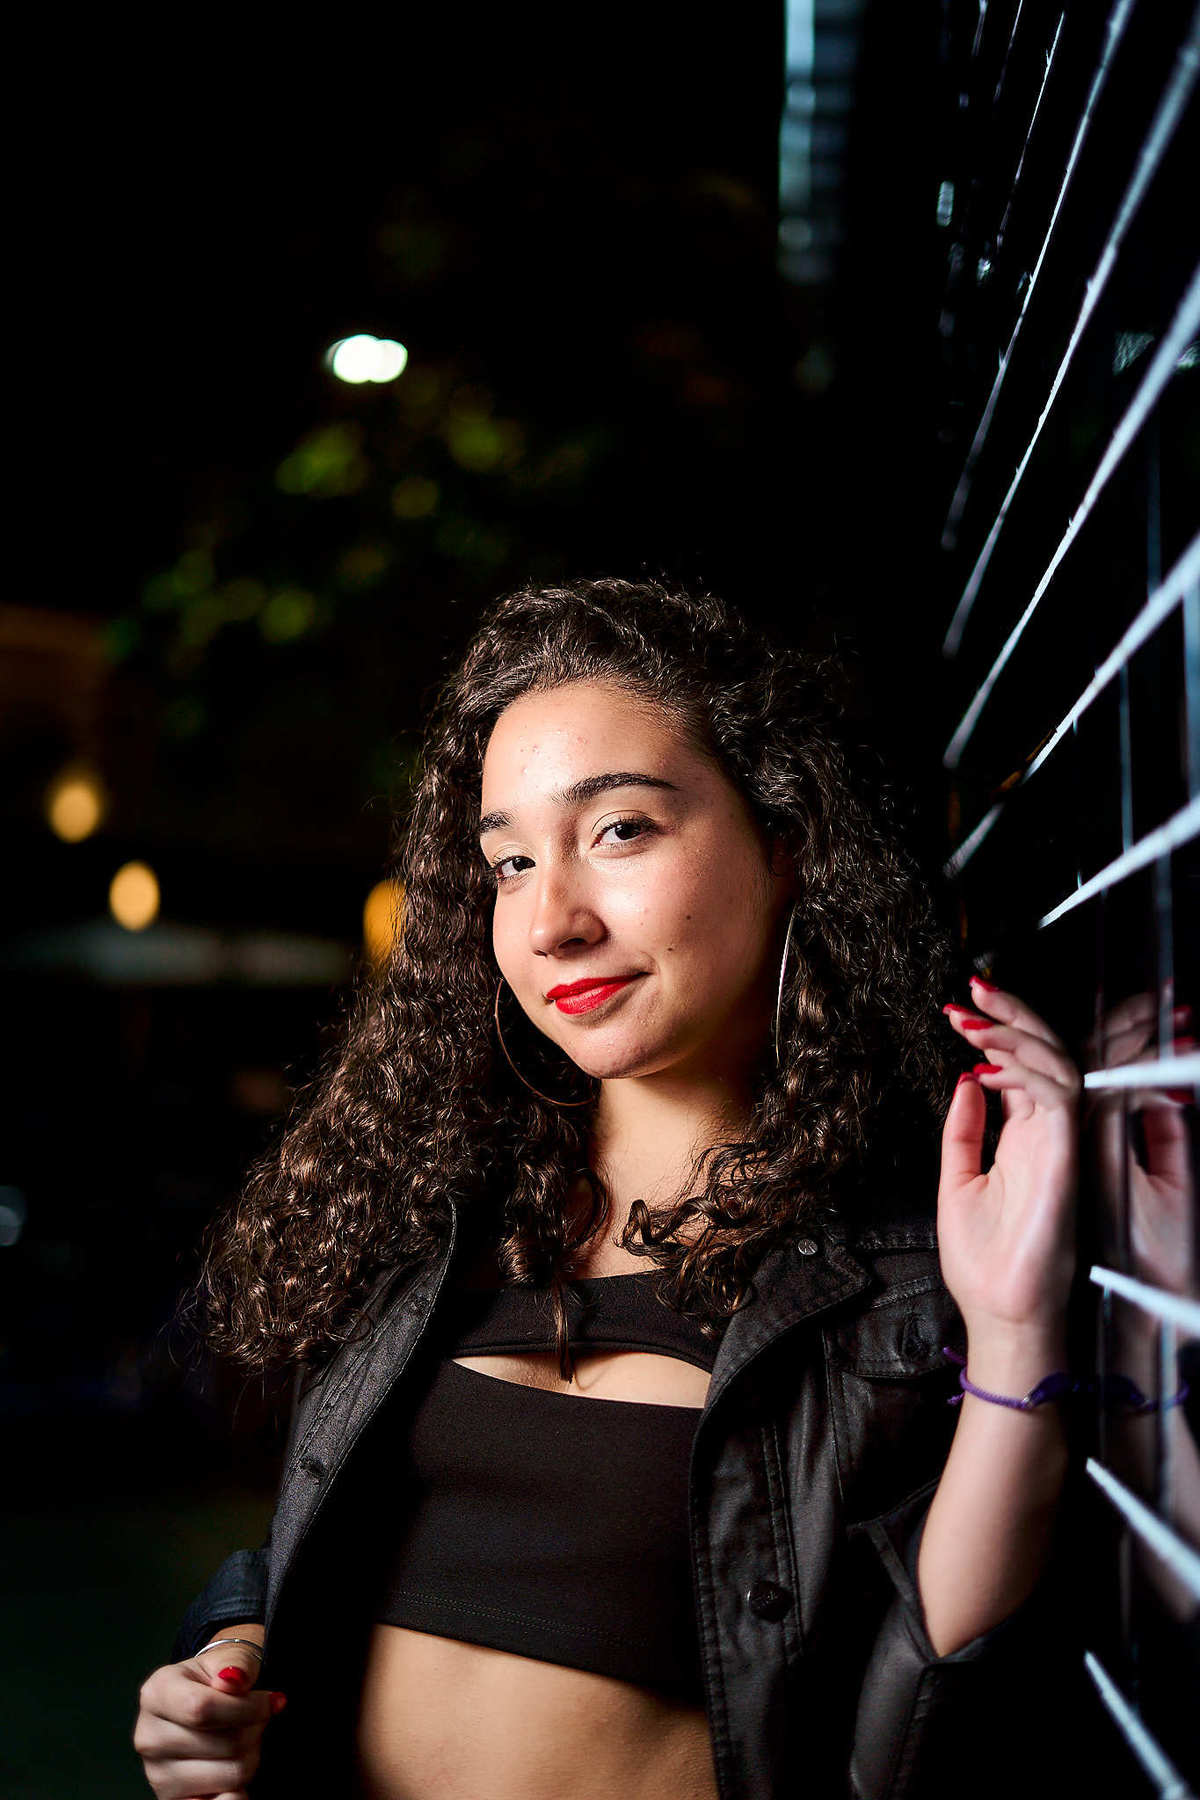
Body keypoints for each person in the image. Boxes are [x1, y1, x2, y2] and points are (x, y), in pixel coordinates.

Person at [132, 577, 1096, 1800]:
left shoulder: (906, 1267)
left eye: (622, 830)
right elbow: (326, 1558)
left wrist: (1015, 1330)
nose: (552, 922)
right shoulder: (433, 1224)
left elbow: (918, 1726)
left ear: (787, 838)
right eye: (511, 862)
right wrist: (224, 1662)